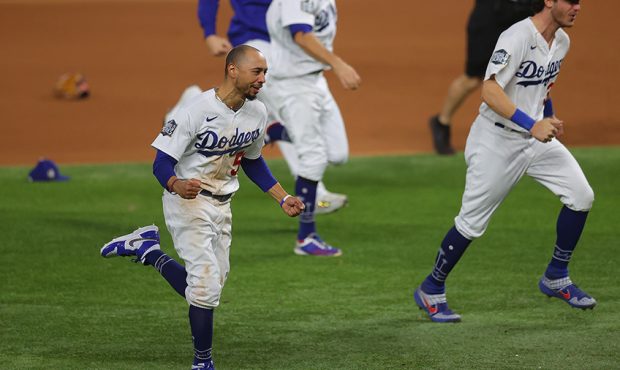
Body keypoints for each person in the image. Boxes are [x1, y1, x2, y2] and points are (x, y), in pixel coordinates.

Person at [100, 45, 305, 370]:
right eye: (257, 72)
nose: (263, 79)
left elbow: (253, 161)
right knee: (205, 289)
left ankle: (147, 250)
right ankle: (202, 363)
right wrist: (176, 185)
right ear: (233, 70)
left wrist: (282, 197)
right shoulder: (194, 111)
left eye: (265, 72)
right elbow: (161, 162)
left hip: (223, 207)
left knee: (210, 286)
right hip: (188, 204)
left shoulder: (258, 112)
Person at [414, 0, 596, 323]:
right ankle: (432, 287)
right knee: (471, 223)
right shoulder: (516, 37)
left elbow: (541, 89)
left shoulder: (562, 42)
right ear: (550, 1)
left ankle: (556, 275)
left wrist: (548, 120)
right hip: (495, 141)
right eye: (571, 1)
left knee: (582, 196)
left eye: (580, 2)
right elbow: (489, 90)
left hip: (535, 140)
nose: (577, 7)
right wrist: (533, 124)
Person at [188, 0, 348, 215]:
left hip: (285, 44)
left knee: (327, 145)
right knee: (294, 116)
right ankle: (313, 195)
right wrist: (210, 33)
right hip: (257, 42)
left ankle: (268, 133)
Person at [265, 0, 361, 257]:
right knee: (314, 155)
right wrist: (339, 64)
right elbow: (301, 35)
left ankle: (273, 132)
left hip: (316, 80)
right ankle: (306, 237)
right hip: (294, 85)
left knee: (338, 154)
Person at [429, 0, 535, 155]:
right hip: (491, 16)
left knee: (528, 73)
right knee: (473, 79)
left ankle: (532, 125)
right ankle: (441, 122)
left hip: (525, 13)